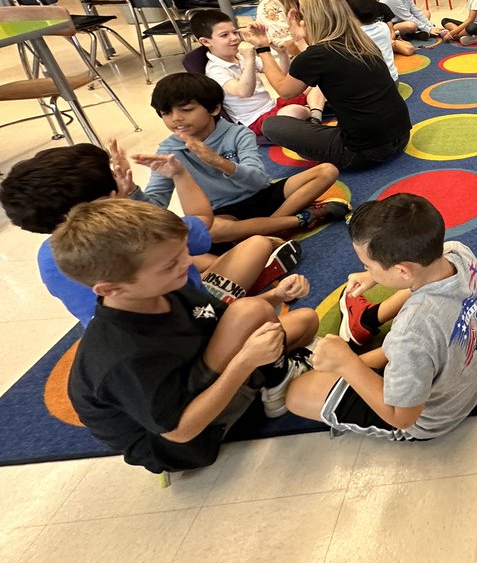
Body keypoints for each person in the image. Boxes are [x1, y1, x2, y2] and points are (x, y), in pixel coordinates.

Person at [59, 198, 318, 473]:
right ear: (111, 289)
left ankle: (266, 377)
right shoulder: (121, 357)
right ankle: (274, 384)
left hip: (195, 375)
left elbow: (221, 320)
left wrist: (276, 296)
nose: (187, 263)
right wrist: (245, 362)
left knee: (304, 320)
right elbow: (180, 433)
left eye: (184, 252)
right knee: (255, 313)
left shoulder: (164, 288)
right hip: (188, 440)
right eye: (170, 264)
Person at [1, 142, 308, 327]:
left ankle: (243, 294)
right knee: (259, 260)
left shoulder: (49, 255)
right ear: (106, 200)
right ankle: (249, 299)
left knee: (194, 256)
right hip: (192, 320)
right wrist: (179, 174)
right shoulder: (134, 231)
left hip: (132, 328)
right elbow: (204, 221)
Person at [285, 194, 477, 441]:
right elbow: (419, 319)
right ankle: (366, 321)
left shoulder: (410, 332)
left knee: (297, 393)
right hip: (474, 369)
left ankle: (354, 349)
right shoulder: (457, 251)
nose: (366, 271)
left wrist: (348, 363)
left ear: (401, 270)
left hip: (435, 417)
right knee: (398, 349)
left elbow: (403, 417)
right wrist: (375, 276)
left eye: (368, 266)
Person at [140, 72, 347, 245]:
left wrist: (218, 161)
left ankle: (265, 231)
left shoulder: (238, 134)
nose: (175, 118)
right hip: (223, 213)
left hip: (263, 196)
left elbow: (259, 180)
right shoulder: (168, 150)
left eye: (186, 110)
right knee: (208, 230)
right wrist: (131, 192)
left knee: (328, 170)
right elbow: (157, 203)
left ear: (214, 108)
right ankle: (297, 221)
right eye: (166, 113)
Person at [259, 0, 412, 170]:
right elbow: (324, 62)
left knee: (272, 125)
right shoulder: (361, 41)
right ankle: (317, 125)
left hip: (365, 152)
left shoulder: (318, 55)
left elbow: (285, 90)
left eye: (303, 14)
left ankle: (316, 122)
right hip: (401, 136)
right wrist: (301, 40)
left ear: (311, 18)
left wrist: (262, 49)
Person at [190, 9, 323, 135]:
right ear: (205, 41)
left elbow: (282, 80)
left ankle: (315, 115)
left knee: (315, 83)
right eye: (225, 35)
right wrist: (249, 60)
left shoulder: (239, 56)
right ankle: (313, 109)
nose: (234, 38)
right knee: (294, 111)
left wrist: (282, 54)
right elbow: (244, 92)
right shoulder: (215, 69)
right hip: (254, 120)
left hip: (273, 105)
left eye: (235, 32)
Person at [346, 0, 402, 81]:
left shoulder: (353, 35)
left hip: (371, 87)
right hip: (393, 80)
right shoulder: (383, 26)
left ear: (350, 14)